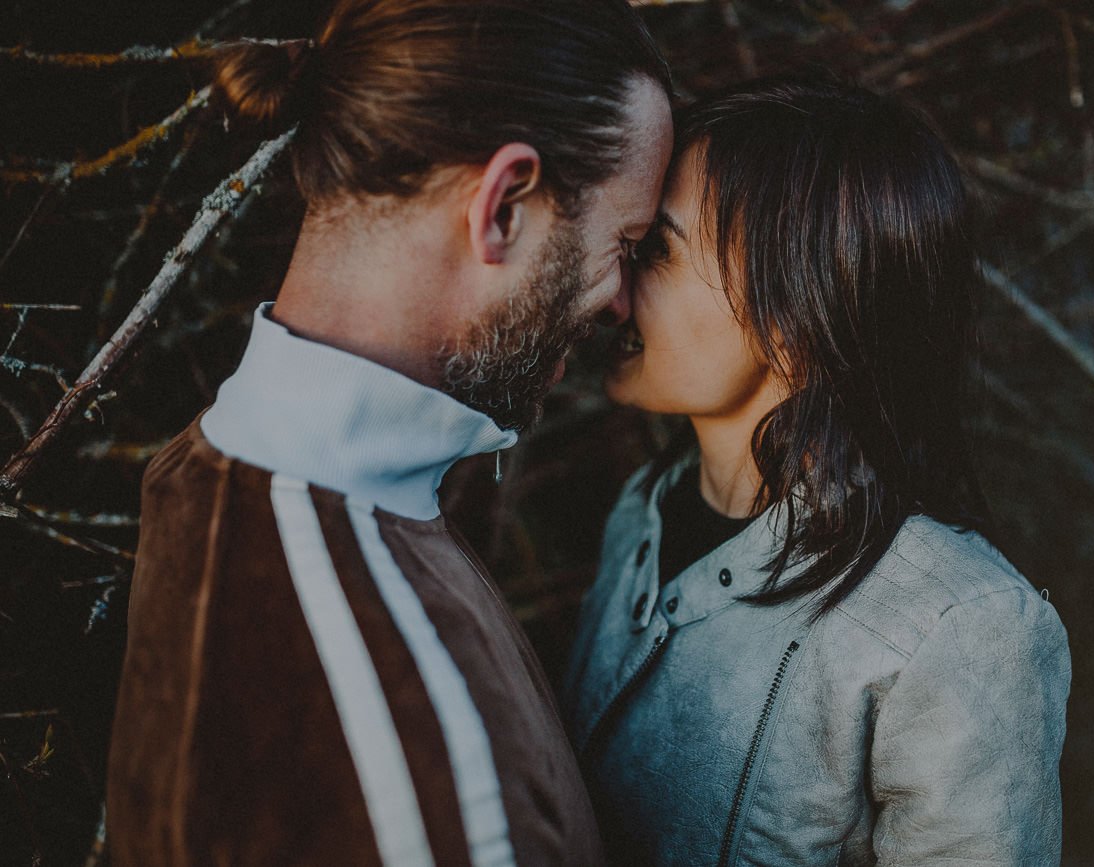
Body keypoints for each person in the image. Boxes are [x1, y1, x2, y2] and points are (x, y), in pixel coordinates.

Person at [106, 1, 672, 864]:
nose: (623, 303)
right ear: (504, 206)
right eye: (624, 246)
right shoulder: (425, 783)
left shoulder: (214, 468)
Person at [563, 77, 1072, 866]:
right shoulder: (643, 510)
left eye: (657, 249)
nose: (614, 288)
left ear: (796, 310)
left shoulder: (959, 626)